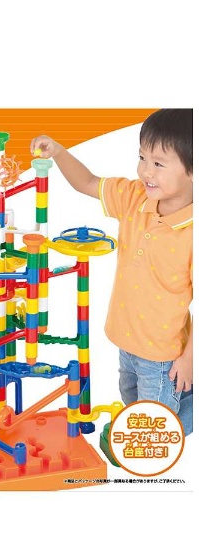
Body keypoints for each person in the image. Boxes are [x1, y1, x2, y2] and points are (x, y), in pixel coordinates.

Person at [31, 109, 193, 435]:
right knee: (134, 406)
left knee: (154, 428)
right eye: (142, 157)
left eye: (158, 163)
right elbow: (88, 182)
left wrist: (190, 359)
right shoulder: (134, 198)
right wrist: (59, 152)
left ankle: (159, 449)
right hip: (126, 342)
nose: (145, 171)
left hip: (162, 355)